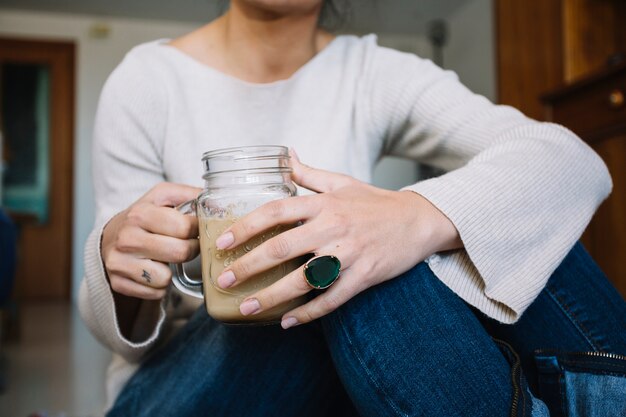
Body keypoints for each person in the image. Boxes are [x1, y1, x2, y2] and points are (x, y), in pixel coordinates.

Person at [80, 1, 626, 416]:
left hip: (332, 374)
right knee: (340, 258)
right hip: (178, 386)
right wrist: (116, 264)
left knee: (508, 215)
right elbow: (117, 328)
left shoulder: (372, 73)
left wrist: (412, 218)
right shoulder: (147, 80)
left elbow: (571, 160)